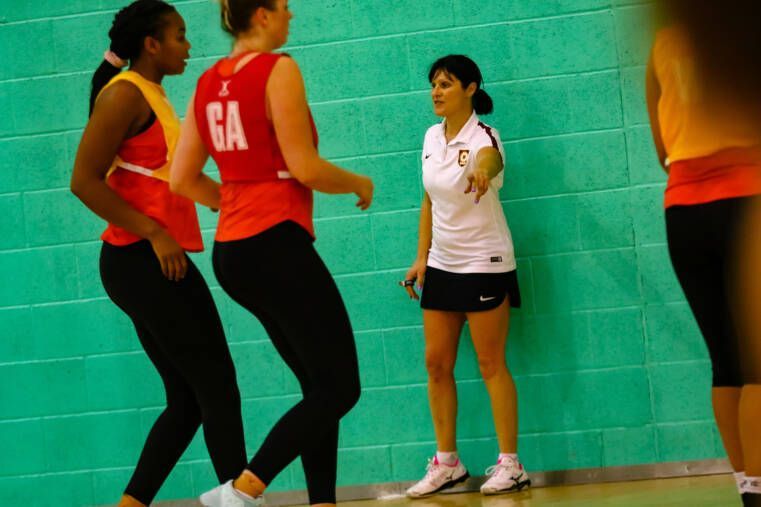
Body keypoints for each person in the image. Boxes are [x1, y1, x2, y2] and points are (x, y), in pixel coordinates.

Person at [169, 1, 374, 506]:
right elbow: (304, 167)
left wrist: (232, 203)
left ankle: (321, 501)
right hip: (276, 246)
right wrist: (357, 182)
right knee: (341, 388)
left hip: (233, 254)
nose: (292, 16)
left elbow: (182, 178)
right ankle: (241, 491)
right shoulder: (277, 70)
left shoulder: (206, 81)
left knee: (318, 388)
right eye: (284, 7)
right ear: (261, 15)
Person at [69, 1, 248, 506]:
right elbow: (82, 182)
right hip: (140, 258)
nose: (188, 46)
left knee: (190, 400)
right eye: (180, 35)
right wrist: (154, 232)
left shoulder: (149, 94)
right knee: (217, 387)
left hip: (149, 258)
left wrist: (244, 203)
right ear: (151, 43)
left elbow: (175, 180)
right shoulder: (123, 94)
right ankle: (240, 500)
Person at [646, 13, 761, 507]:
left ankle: (747, 487)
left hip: (684, 209)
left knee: (726, 359)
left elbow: (660, 146)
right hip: (746, 198)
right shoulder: (741, 31)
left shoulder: (662, 42)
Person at [402, 54, 530, 498]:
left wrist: (480, 170)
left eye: (447, 84)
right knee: (436, 364)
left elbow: (491, 162)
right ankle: (448, 464)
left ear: (471, 88)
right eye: (433, 84)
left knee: (490, 363)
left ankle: (511, 464)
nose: (436, 91)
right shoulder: (430, 137)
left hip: (484, 262)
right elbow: (428, 201)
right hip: (442, 263)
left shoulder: (485, 137)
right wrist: (422, 258)